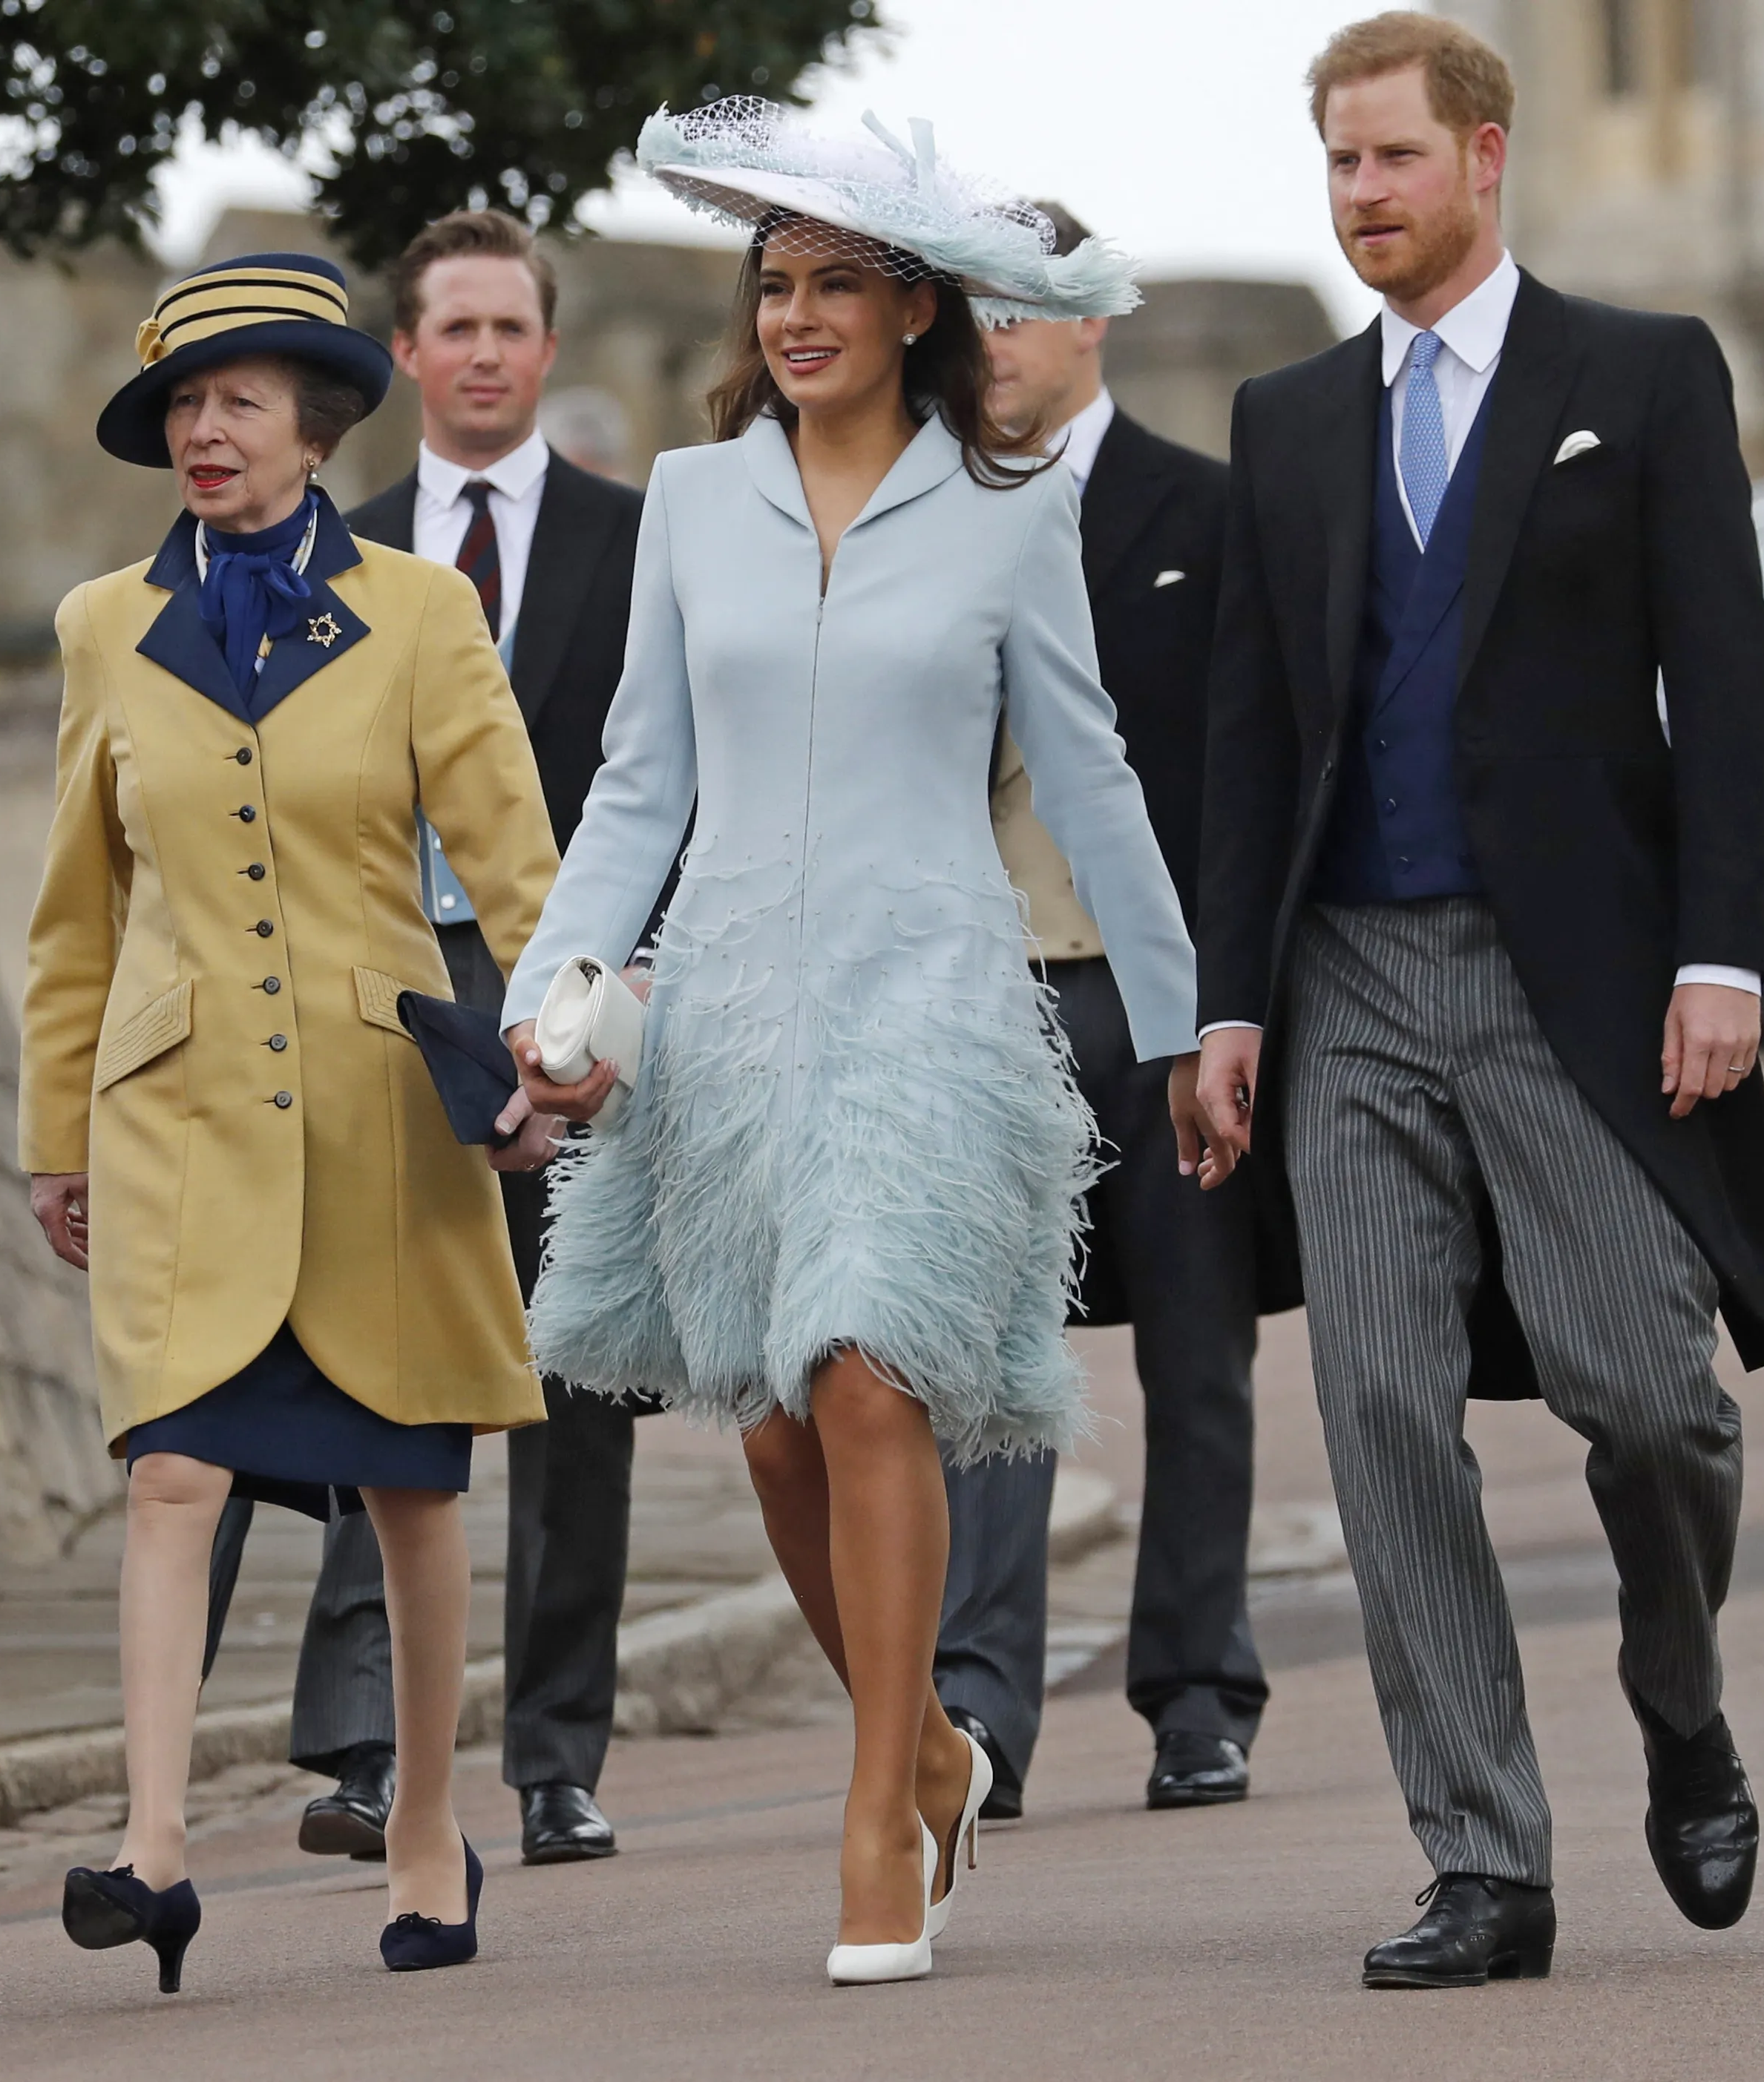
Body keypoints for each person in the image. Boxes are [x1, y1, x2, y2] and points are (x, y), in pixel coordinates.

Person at [1182, 13, 1764, 1990]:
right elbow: (1243, 732)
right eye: (1336, 165)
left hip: (1582, 978)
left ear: (1484, 157)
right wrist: (1228, 1003)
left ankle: (1679, 1689)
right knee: (1378, 1406)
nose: (1361, 195)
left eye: (1391, 159)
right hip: (1348, 978)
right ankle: (1487, 1854)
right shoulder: (1288, 420)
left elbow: (1721, 684)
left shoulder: (1638, 377)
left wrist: (1722, 954)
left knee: (1647, 1394)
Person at [508, 101, 1196, 1986]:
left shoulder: (1009, 509)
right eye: (777, 283)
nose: (797, 313)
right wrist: (548, 988)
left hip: (932, 999)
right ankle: (946, 1750)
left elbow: (1093, 772)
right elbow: (639, 779)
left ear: (917, 309)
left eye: (836, 284)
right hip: (726, 1013)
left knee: (872, 1373)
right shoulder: (690, 498)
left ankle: (877, 1805)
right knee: (785, 1433)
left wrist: (1188, 1017)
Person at [22, 251, 565, 1986]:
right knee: (174, 1466)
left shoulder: (421, 613)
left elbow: (517, 867)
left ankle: (422, 1821)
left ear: (317, 423)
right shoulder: (103, 625)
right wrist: (55, 1129)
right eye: (182, 402)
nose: (204, 429)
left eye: (238, 399)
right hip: (178, 1121)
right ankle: (156, 1844)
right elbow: (76, 911)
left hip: (382, 1111)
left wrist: (551, 1052)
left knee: (409, 1486)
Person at [197, 209, 652, 1872]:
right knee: (375, 1341)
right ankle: (377, 1745)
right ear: (403, 356)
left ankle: (555, 1755)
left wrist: (616, 994)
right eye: (446, 325)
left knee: (574, 1367)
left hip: (566, 978)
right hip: (377, 985)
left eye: (506, 327)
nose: (476, 352)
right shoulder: (336, 545)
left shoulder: (636, 533)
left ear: (544, 349)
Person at [935, 200, 1301, 1822]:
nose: (994, 338)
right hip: (972, 998)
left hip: (1162, 1009)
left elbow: (1252, 782)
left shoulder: (1211, 517)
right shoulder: (909, 516)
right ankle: (979, 1712)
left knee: (1197, 1353)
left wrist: (1233, 1007)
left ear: (1096, 321)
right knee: (984, 1358)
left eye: (1025, 307)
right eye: (972, 309)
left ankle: (1200, 1692)